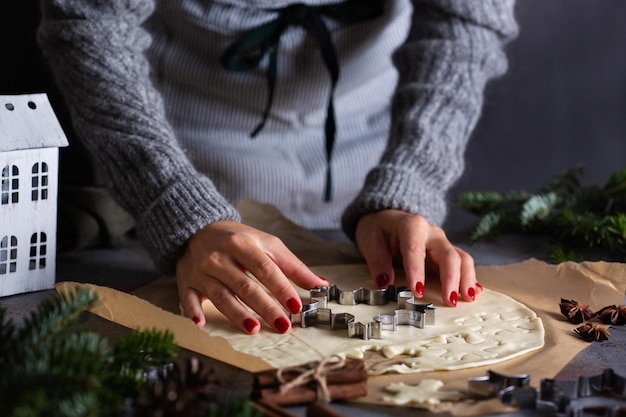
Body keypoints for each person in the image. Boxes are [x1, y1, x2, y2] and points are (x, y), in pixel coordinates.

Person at [37, 0, 518, 335]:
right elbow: (89, 22)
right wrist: (174, 204)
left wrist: (411, 180)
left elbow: (465, 25)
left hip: (366, 142)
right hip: (178, 142)